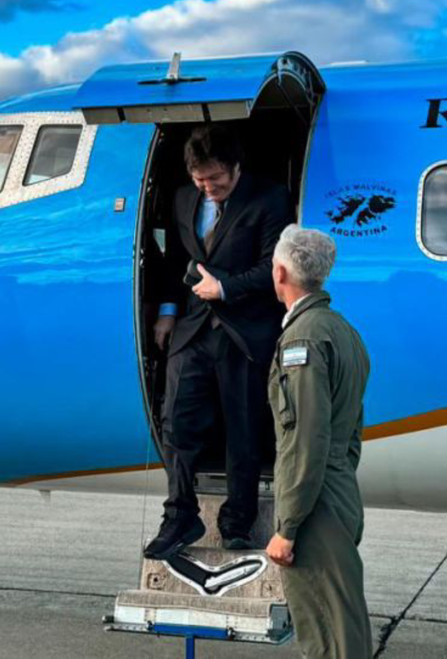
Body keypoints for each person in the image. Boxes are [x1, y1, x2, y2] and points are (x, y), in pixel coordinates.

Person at [145, 125, 294, 559]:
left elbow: (273, 267)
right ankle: (180, 515)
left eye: (217, 180)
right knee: (176, 422)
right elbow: (176, 259)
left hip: (244, 332)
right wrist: (168, 312)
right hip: (191, 328)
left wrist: (223, 289)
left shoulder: (269, 199)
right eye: (200, 180)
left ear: (236, 167)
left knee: (243, 431)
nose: (209, 188)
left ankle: (237, 522)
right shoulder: (182, 198)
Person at [265, 225, 372, 659]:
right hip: (337, 490)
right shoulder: (343, 331)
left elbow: (306, 437)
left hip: (313, 502)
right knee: (342, 620)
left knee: (327, 632)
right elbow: (352, 432)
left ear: (280, 273)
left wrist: (287, 526)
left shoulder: (304, 338)